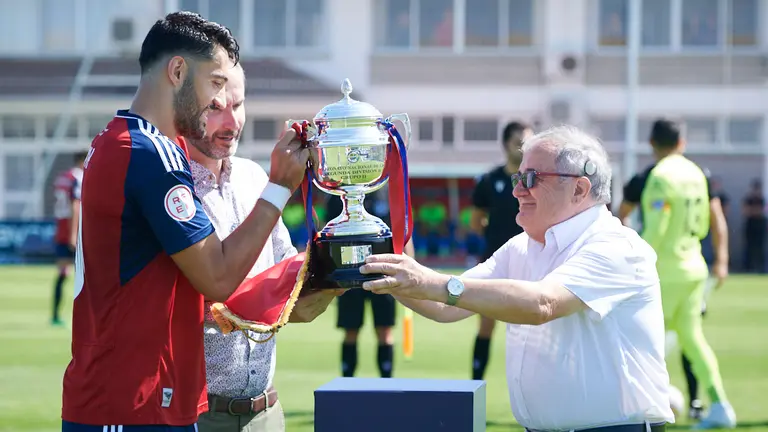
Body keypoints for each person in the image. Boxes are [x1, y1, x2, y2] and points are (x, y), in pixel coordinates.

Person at [61, 12, 309, 431]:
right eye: (214, 86)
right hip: (128, 403)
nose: (219, 101)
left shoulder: (128, 139)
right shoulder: (146, 153)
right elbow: (217, 276)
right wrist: (280, 187)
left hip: (148, 398)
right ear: (177, 71)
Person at [359, 125, 675, 432]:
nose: (517, 190)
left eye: (531, 178)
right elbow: (447, 307)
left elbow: (542, 303)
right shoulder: (521, 246)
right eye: (518, 177)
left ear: (579, 189)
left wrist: (431, 283)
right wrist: (376, 273)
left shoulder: (617, 246)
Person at [188, 63, 342, 431]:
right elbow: (212, 293)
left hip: (266, 413)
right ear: (182, 105)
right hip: (196, 415)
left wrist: (339, 269)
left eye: (237, 105)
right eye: (215, 107)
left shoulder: (255, 177)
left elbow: (295, 306)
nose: (231, 121)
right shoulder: (172, 186)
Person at [618, 118, 735, 429]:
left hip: (665, 270)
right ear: (682, 142)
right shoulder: (697, 172)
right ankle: (720, 404)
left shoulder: (658, 177)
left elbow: (657, 228)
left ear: (652, 144)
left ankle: (642, 408)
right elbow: (712, 220)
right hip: (694, 265)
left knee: (644, 339)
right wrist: (720, 259)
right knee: (693, 340)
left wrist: (634, 262)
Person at [467, 120, 532, 380]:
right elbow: (476, 221)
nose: (523, 148)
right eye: (519, 142)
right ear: (506, 144)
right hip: (495, 263)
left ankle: (530, 385)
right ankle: (475, 385)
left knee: (529, 329)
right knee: (485, 325)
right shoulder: (489, 180)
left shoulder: (534, 182)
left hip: (530, 264)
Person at [327, 188, 414, 379]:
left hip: (383, 273)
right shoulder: (339, 195)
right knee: (351, 331)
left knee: (384, 331)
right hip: (349, 275)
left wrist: (409, 268)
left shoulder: (387, 192)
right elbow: (326, 236)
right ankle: (347, 385)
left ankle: (386, 385)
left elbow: (403, 233)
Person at [50, 151, 87, 326]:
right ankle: (85, 317)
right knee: (86, 276)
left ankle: (55, 315)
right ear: (82, 161)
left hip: (60, 229)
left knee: (63, 273)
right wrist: (74, 235)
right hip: (74, 232)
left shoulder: (62, 177)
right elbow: (75, 205)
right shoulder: (79, 177)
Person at [742, 179, 766, 273]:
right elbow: (746, 211)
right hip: (750, 225)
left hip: (760, 225)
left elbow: (762, 211)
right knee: (749, 247)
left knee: (760, 247)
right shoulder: (748, 199)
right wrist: (755, 211)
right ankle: (748, 267)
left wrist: (754, 211)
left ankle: (760, 267)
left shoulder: (762, 200)